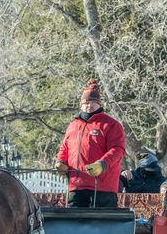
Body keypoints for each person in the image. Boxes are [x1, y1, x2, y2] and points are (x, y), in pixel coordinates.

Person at [54, 79, 125, 207]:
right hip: (76, 187)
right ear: (81, 105)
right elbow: (64, 148)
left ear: (99, 104)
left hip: (102, 188)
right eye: (86, 102)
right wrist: (61, 162)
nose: (89, 106)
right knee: (74, 220)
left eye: (93, 103)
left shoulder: (111, 124)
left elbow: (118, 149)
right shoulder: (73, 125)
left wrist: (102, 164)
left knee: (100, 220)